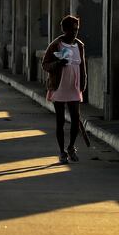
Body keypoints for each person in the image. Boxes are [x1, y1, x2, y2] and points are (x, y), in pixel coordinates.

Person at [42, 15, 87, 164]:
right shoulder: (56, 44)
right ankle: (62, 152)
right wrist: (57, 64)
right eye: (72, 30)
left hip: (74, 88)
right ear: (65, 29)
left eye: (77, 29)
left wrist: (83, 82)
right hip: (59, 87)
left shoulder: (79, 45)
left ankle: (71, 147)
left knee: (75, 119)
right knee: (60, 120)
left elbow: (82, 66)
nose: (75, 33)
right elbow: (45, 64)